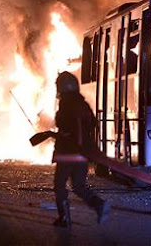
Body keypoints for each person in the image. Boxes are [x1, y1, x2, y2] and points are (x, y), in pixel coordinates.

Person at [52, 71, 110, 228]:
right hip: (83, 152)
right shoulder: (83, 104)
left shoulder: (66, 104)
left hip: (67, 153)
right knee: (79, 185)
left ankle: (64, 218)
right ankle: (99, 205)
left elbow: (63, 125)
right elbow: (92, 124)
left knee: (59, 184)